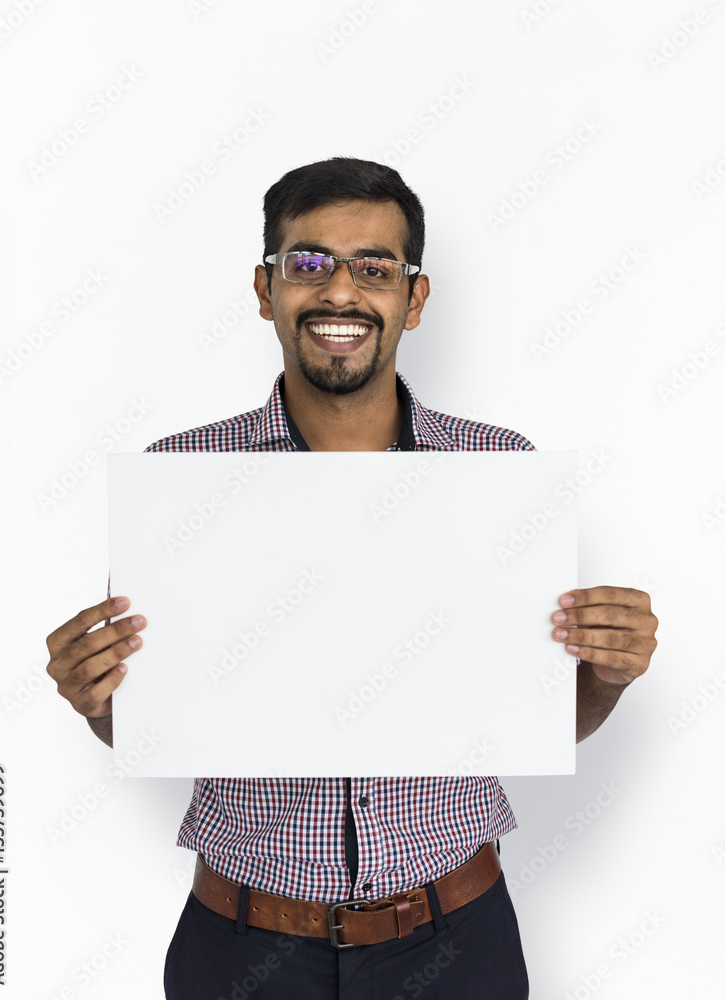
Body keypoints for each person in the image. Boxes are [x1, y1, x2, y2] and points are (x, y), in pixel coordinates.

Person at [45, 157, 658, 1000]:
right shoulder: (179, 480)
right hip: (242, 947)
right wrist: (100, 700)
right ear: (266, 290)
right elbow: (153, 723)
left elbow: (539, 718)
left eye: (374, 267)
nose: (340, 292)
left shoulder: (497, 472)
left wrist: (609, 676)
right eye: (308, 264)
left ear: (414, 297)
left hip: (456, 942)